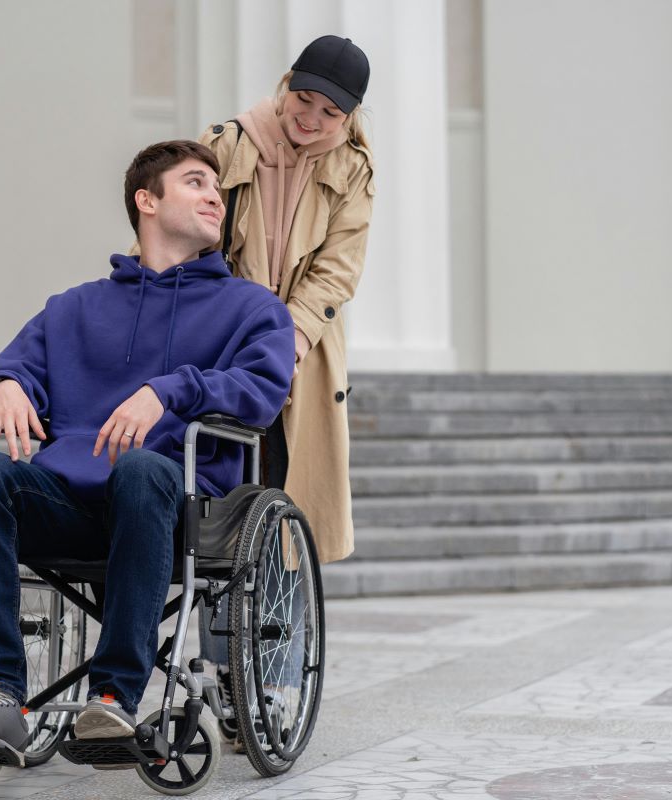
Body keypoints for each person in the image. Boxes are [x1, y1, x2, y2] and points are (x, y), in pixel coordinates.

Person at [0, 140, 295, 766]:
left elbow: (262, 391)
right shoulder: (74, 307)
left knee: (143, 468)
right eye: (196, 182)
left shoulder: (252, 307)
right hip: (70, 504)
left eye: (217, 188)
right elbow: (17, 365)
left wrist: (169, 390)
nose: (215, 197)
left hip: (177, 508)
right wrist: (6, 383)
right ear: (146, 201)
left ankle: (113, 699)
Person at [195, 34, 375, 736]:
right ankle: (221, 682)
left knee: (286, 532)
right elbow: (188, 234)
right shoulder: (227, 144)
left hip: (302, 362)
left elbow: (337, 270)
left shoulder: (353, 169)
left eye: (331, 112)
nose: (312, 119)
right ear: (287, 84)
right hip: (220, 352)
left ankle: (270, 690)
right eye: (304, 100)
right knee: (217, 527)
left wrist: (287, 339)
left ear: (349, 116)